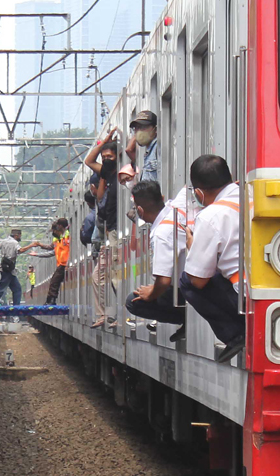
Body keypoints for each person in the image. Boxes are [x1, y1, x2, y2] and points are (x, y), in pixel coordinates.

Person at [179, 155, 246, 363]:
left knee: (187, 280)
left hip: (244, 296)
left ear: (199, 192)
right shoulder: (254, 197)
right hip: (276, 290)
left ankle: (235, 334)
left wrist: (193, 248)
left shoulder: (211, 215)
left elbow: (198, 280)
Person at [125, 181, 187, 342]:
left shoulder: (161, 234)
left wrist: (151, 293)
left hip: (186, 292)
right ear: (162, 198)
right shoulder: (177, 207)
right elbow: (188, 187)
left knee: (133, 301)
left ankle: (186, 319)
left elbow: (164, 281)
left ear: (140, 210)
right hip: (200, 283)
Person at [85, 129, 120, 329]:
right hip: (109, 234)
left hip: (115, 232)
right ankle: (104, 315)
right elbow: (89, 161)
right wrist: (104, 142)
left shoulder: (122, 174)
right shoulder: (107, 176)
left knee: (113, 276)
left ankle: (114, 314)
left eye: (110, 156)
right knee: (99, 276)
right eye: (104, 157)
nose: (106, 159)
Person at [0, 229, 36, 306]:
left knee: (17, 289)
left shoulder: (3, 241)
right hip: (8, 269)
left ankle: (16, 306)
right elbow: (20, 250)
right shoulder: (15, 243)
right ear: (16, 235)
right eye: (20, 236)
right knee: (2, 286)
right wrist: (31, 245)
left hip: (6, 267)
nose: (20, 238)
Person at [31, 218, 71, 305]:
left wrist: (68, 263)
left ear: (59, 227)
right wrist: (39, 247)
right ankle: (50, 300)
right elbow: (52, 249)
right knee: (54, 282)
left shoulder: (67, 236)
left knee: (54, 282)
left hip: (64, 263)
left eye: (54, 230)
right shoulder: (58, 238)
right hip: (61, 263)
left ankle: (50, 301)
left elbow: (72, 249)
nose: (54, 233)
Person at [125, 111, 160, 183]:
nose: (139, 132)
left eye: (143, 127)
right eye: (136, 128)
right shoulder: (147, 153)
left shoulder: (158, 147)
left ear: (155, 129)